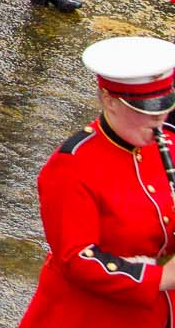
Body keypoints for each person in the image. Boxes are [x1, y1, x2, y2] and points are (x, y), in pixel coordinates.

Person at [19, 36, 175, 328]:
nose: (158, 120)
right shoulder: (71, 166)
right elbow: (77, 259)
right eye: (145, 111)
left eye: (163, 108)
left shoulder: (169, 143)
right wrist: (162, 277)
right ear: (109, 101)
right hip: (90, 315)